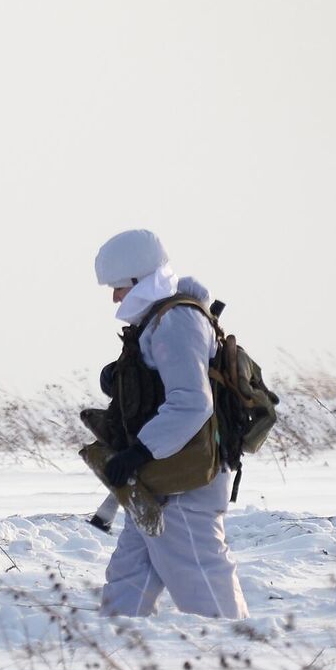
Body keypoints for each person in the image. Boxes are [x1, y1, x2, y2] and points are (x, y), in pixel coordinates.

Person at [92, 230, 247, 619]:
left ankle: (239, 656)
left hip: (184, 482)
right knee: (128, 579)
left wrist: (139, 451)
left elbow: (192, 403)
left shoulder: (176, 321)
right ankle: (115, 649)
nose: (114, 298)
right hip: (160, 478)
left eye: (119, 288)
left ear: (141, 281)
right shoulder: (160, 321)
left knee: (201, 578)